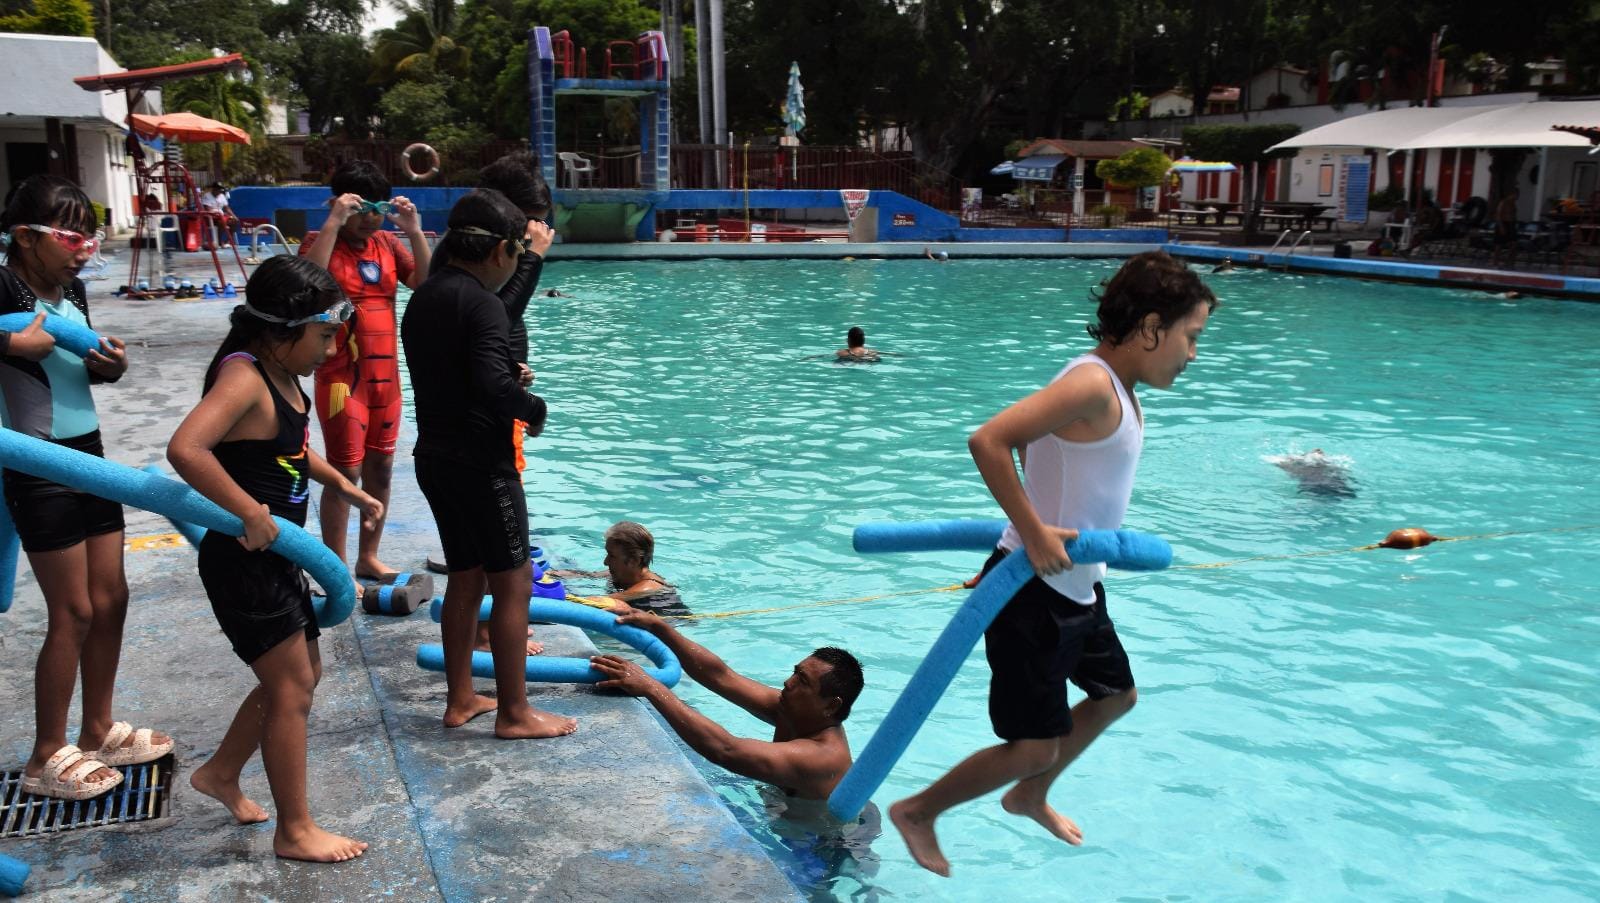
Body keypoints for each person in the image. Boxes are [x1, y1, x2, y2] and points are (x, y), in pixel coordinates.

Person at [890, 250, 1216, 877]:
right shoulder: (1092, 383)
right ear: (1152, 327)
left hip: (1078, 589)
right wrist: (1034, 533)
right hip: (1030, 592)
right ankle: (920, 811)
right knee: (1033, 745)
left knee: (1116, 697)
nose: (1193, 354)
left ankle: (1031, 795)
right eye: (1191, 336)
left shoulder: (1117, 387)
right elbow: (990, 439)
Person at [168, 255, 381, 862]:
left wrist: (342, 483)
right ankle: (295, 830)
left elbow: (289, 448)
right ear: (281, 328)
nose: (330, 348)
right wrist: (248, 509)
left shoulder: (282, 373)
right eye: (322, 336)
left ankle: (222, 772)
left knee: (298, 679)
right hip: (243, 560)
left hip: (277, 557)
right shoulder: (242, 376)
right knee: (291, 689)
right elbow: (185, 448)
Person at [1, 176, 163, 801]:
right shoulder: (1, 285)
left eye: (90, 238)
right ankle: (46, 754)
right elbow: (22, 353)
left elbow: (74, 371)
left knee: (112, 597)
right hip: (36, 462)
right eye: (71, 237)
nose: (85, 250)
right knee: (73, 611)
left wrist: (112, 367)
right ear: (24, 236)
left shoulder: (72, 290)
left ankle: (97, 727)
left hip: (89, 457)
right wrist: (14, 341)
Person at [401, 188, 576, 740]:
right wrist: (535, 407)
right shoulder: (481, 303)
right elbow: (493, 386)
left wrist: (503, 377)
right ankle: (514, 712)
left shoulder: (425, 297)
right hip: (481, 464)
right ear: (501, 250)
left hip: (435, 456)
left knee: (465, 576)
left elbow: (460, 374)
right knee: (514, 580)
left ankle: (459, 699)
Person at [301, 161, 430, 596]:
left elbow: (426, 286)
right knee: (345, 471)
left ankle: (368, 556)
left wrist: (413, 230)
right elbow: (310, 286)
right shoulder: (320, 242)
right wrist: (333, 222)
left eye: (376, 206)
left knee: (383, 467)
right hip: (342, 378)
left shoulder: (388, 244)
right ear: (339, 202)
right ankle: (333, 565)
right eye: (360, 206)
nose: (371, 216)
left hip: (387, 379)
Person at [591, 609, 862, 800]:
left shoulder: (820, 757)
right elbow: (722, 677)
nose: (787, 682)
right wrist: (661, 628)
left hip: (824, 846)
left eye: (802, 681)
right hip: (787, 805)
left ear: (831, 706)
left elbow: (725, 750)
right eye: (795, 672)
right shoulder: (796, 710)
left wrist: (651, 687)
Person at [468, 151, 556, 655]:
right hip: (491, 422)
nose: (537, 232)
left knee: (485, 548)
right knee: (504, 552)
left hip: (496, 398)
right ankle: (492, 640)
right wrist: (534, 258)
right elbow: (497, 317)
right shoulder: (491, 260)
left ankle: (484, 629)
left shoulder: (476, 259)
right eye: (532, 224)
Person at [554, 521, 686, 615]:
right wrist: (551, 574)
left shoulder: (649, 587)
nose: (605, 562)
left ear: (633, 561)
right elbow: (590, 575)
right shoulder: (623, 573)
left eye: (611, 556)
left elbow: (598, 602)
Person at [198, 182, 240, 247]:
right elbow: (207, 209)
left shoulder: (222, 196)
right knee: (221, 221)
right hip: (211, 217)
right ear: (213, 189)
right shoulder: (207, 196)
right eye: (218, 189)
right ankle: (219, 241)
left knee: (235, 221)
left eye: (220, 189)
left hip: (221, 215)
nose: (219, 190)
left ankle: (228, 241)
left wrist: (234, 216)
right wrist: (216, 214)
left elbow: (227, 208)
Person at [1492, 189, 1520, 269]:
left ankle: (1509, 262)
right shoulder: (1503, 202)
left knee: (1514, 244)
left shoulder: (1513, 204)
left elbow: (1513, 215)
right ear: (1512, 194)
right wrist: (1501, 227)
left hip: (1511, 225)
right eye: (1517, 194)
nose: (1517, 197)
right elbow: (1498, 215)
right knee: (1499, 246)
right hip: (1503, 223)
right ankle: (1495, 262)